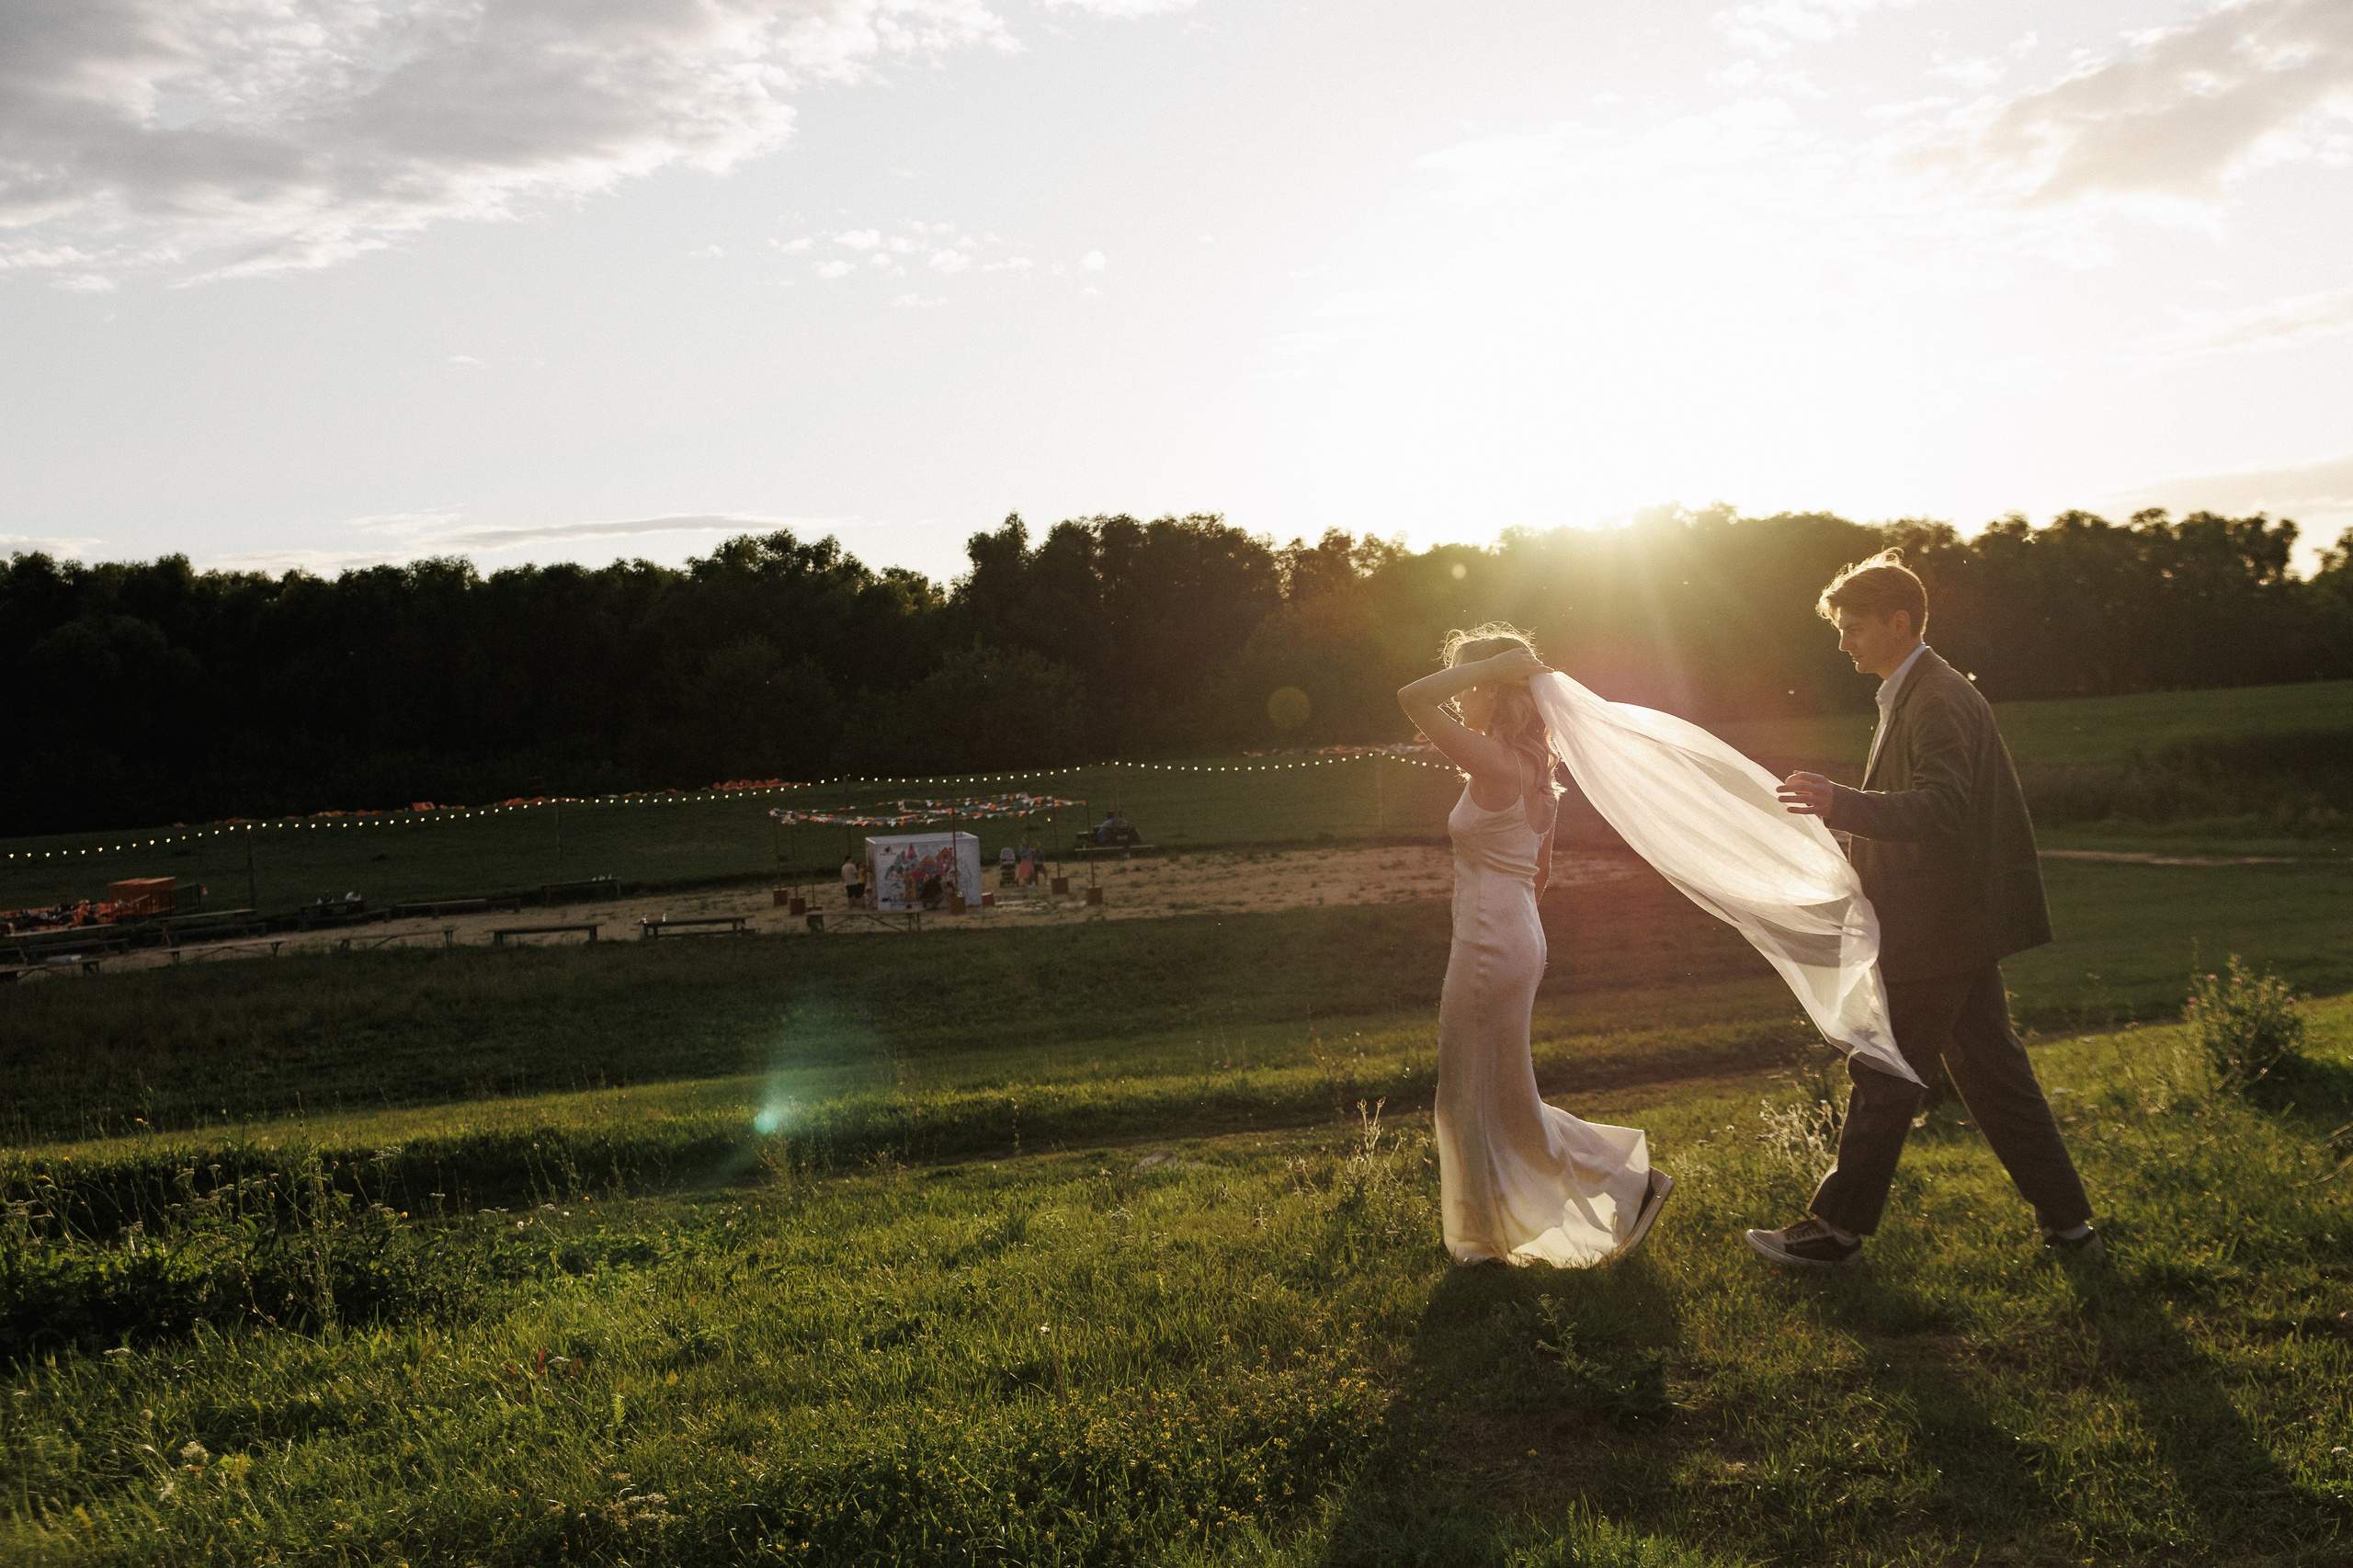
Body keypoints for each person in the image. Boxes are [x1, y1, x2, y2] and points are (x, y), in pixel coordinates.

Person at [1757, 551, 2099, 1269]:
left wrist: (1841, 804)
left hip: (1937, 927)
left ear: (1899, 621)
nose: (1843, 643)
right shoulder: (1917, 692)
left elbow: (1943, 810)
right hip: (1954, 924)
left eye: (1853, 627)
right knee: (1996, 1078)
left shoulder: (1937, 698)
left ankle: (1836, 1234)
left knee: (1884, 1071)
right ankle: (2073, 1230)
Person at [1398, 626, 1673, 1267]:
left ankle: (1619, 1184)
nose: (1460, 698)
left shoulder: (1499, 765)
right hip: (1516, 934)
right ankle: (1490, 1237)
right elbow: (1539, 874)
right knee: (1492, 1091)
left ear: (1493, 690)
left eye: (1470, 685)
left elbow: (1411, 698)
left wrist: (1489, 665)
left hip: (1490, 941)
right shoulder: (1536, 772)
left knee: (1471, 1094)